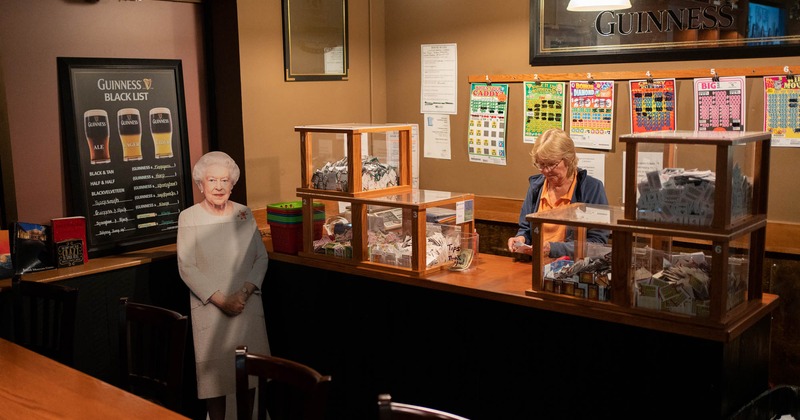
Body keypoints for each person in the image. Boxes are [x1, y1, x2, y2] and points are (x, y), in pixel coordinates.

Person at [177, 151, 269, 420]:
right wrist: (222, 300)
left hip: (246, 308)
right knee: (214, 384)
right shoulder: (189, 217)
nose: (218, 186)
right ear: (200, 184)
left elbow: (260, 258)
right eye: (212, 180)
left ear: (233, 184)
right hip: (211, 311)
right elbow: (186, 266)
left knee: (250, 378)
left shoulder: (243, 213)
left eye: (224, 180)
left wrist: (242, 294)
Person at [507, 128, 609, 259]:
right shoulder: (536, 187)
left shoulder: (591, 188)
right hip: (536, 266)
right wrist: (521, 239)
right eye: (541, 164)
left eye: (551, 164)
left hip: (571, 269)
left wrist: (554, 249)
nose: (545, 171)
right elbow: (525, 228)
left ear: (569, 159)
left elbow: (597, 244)